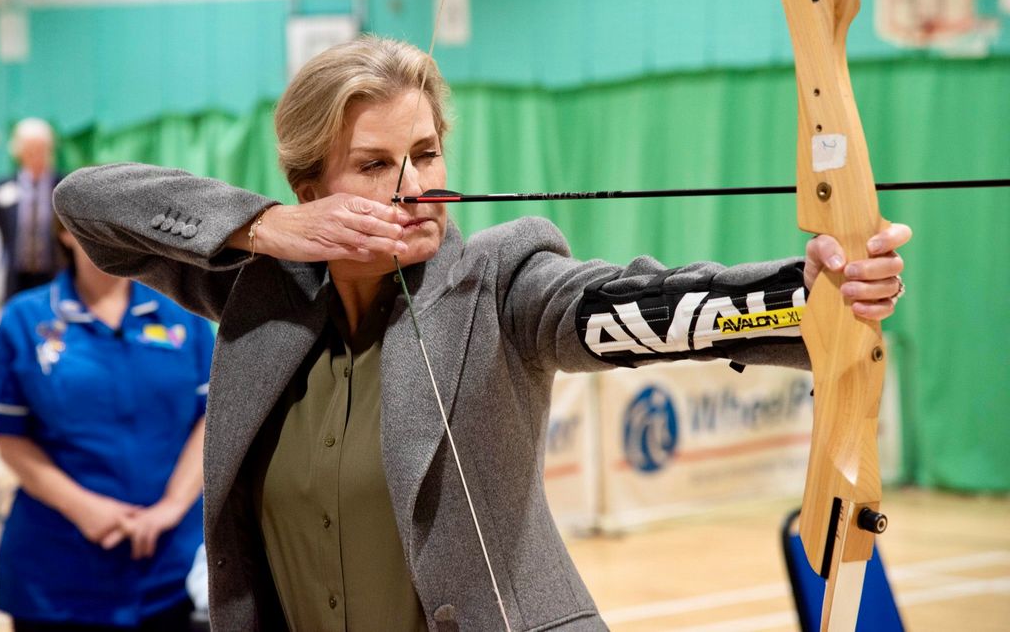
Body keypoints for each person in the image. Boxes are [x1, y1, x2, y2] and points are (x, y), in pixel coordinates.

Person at [53, 36, 912, 632]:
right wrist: (264, 228)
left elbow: (627, 307)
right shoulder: (261, 295)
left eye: (426, 154)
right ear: (308, 183)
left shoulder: (500, 281)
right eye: (375, 164)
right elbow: (87, 202)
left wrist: (804, 304)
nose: (413, 186)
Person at [0, 216, 214, 630]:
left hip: (169, 566)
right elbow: (8, 437)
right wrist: (83, 508)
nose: (110, 236)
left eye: (121, 223)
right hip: (57, 572)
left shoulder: (183, 314)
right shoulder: (25, 319)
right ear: (63, 233)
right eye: (90, 221)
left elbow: (211, 421)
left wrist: (169, 508)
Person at [0, 118, 65, 300]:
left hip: (52, 272)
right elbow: (0, 228)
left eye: (41, 149)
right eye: (30, 150)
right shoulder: (3, 186)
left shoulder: (62, 185)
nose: (35, 155)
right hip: (16, 275)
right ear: (18, 151)